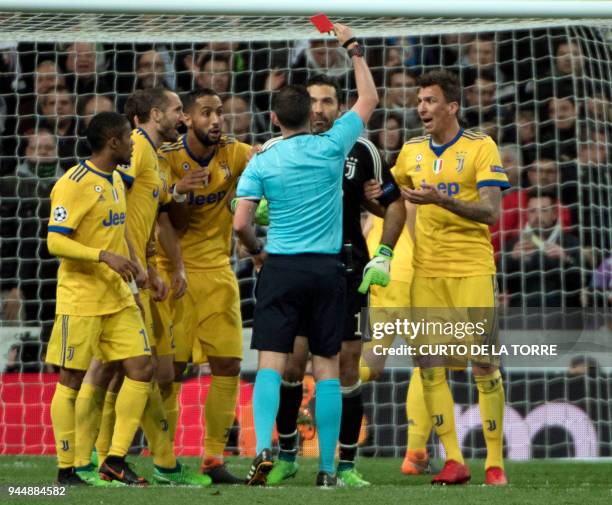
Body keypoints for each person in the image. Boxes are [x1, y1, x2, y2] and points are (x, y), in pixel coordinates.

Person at [233, 22, 379, 487]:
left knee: (271, 365)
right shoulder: (334, 144)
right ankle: (328, 469)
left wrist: (257, 250)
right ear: (311, 116)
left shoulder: (261, 159)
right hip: (327, 269)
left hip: (280, 267)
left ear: (275, 120)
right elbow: (370, 100)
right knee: (328, 369)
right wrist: (353, 50)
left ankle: (262, 450)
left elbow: (240, 224)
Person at [261, 73, 405, 488]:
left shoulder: (362, 151)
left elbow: (393, 206)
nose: (320, 109)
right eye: (314, 101)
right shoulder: (279, 150)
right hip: (298, 271)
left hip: (348, 272)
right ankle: (287, 453)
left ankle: (345, 465)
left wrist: (385, 253)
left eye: (328, 102)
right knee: (291, 363)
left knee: (346, 365)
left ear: (340, 108)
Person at [81, 89, 210, 486]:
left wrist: (175, 192)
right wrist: (135, 264)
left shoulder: (151, 156)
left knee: (130, 370)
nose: (182, 119)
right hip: (118, 272)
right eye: (176, 112)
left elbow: (145, 208)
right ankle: (88, 458)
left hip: (135, 269)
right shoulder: (135, 148)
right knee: (111, 368)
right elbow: (113, 203)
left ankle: (106, 458)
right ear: (155, 114)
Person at [392, 69, 510, 486]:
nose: (420, 107)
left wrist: (441, 200)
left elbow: (492, 212)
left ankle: (494, 464)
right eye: (419, 100)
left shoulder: (481, 147)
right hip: (427, 271)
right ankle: (454, 460)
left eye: (429, 100)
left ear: (452, 106)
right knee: (428, 363)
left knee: (482, 364)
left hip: (472, 268)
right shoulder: (410, 151)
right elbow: (394, 202)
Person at [44, 112, 153, 486]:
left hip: (118, 296)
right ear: (113, 144)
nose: (133, 143)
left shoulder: (117, 180)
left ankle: (115, 459)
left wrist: (135, 275)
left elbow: (117, 236)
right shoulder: (73, 183)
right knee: (72, 378)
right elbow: (54, 240)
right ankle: (65, 467)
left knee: (141, 367)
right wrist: (102, 256)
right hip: (81, 298)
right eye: (128, 138)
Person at [156, 87, 252, 484]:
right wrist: (179, 193)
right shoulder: (166, 159)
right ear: (187, 119)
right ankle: (164, 458)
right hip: (173, 273)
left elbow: (270, 156)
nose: (216, 120)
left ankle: (214, 456)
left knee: (228, 363)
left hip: (219, 273)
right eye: (206, 113)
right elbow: (166, 222)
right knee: (172, 369)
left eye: (220, 113)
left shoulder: (235, 153)